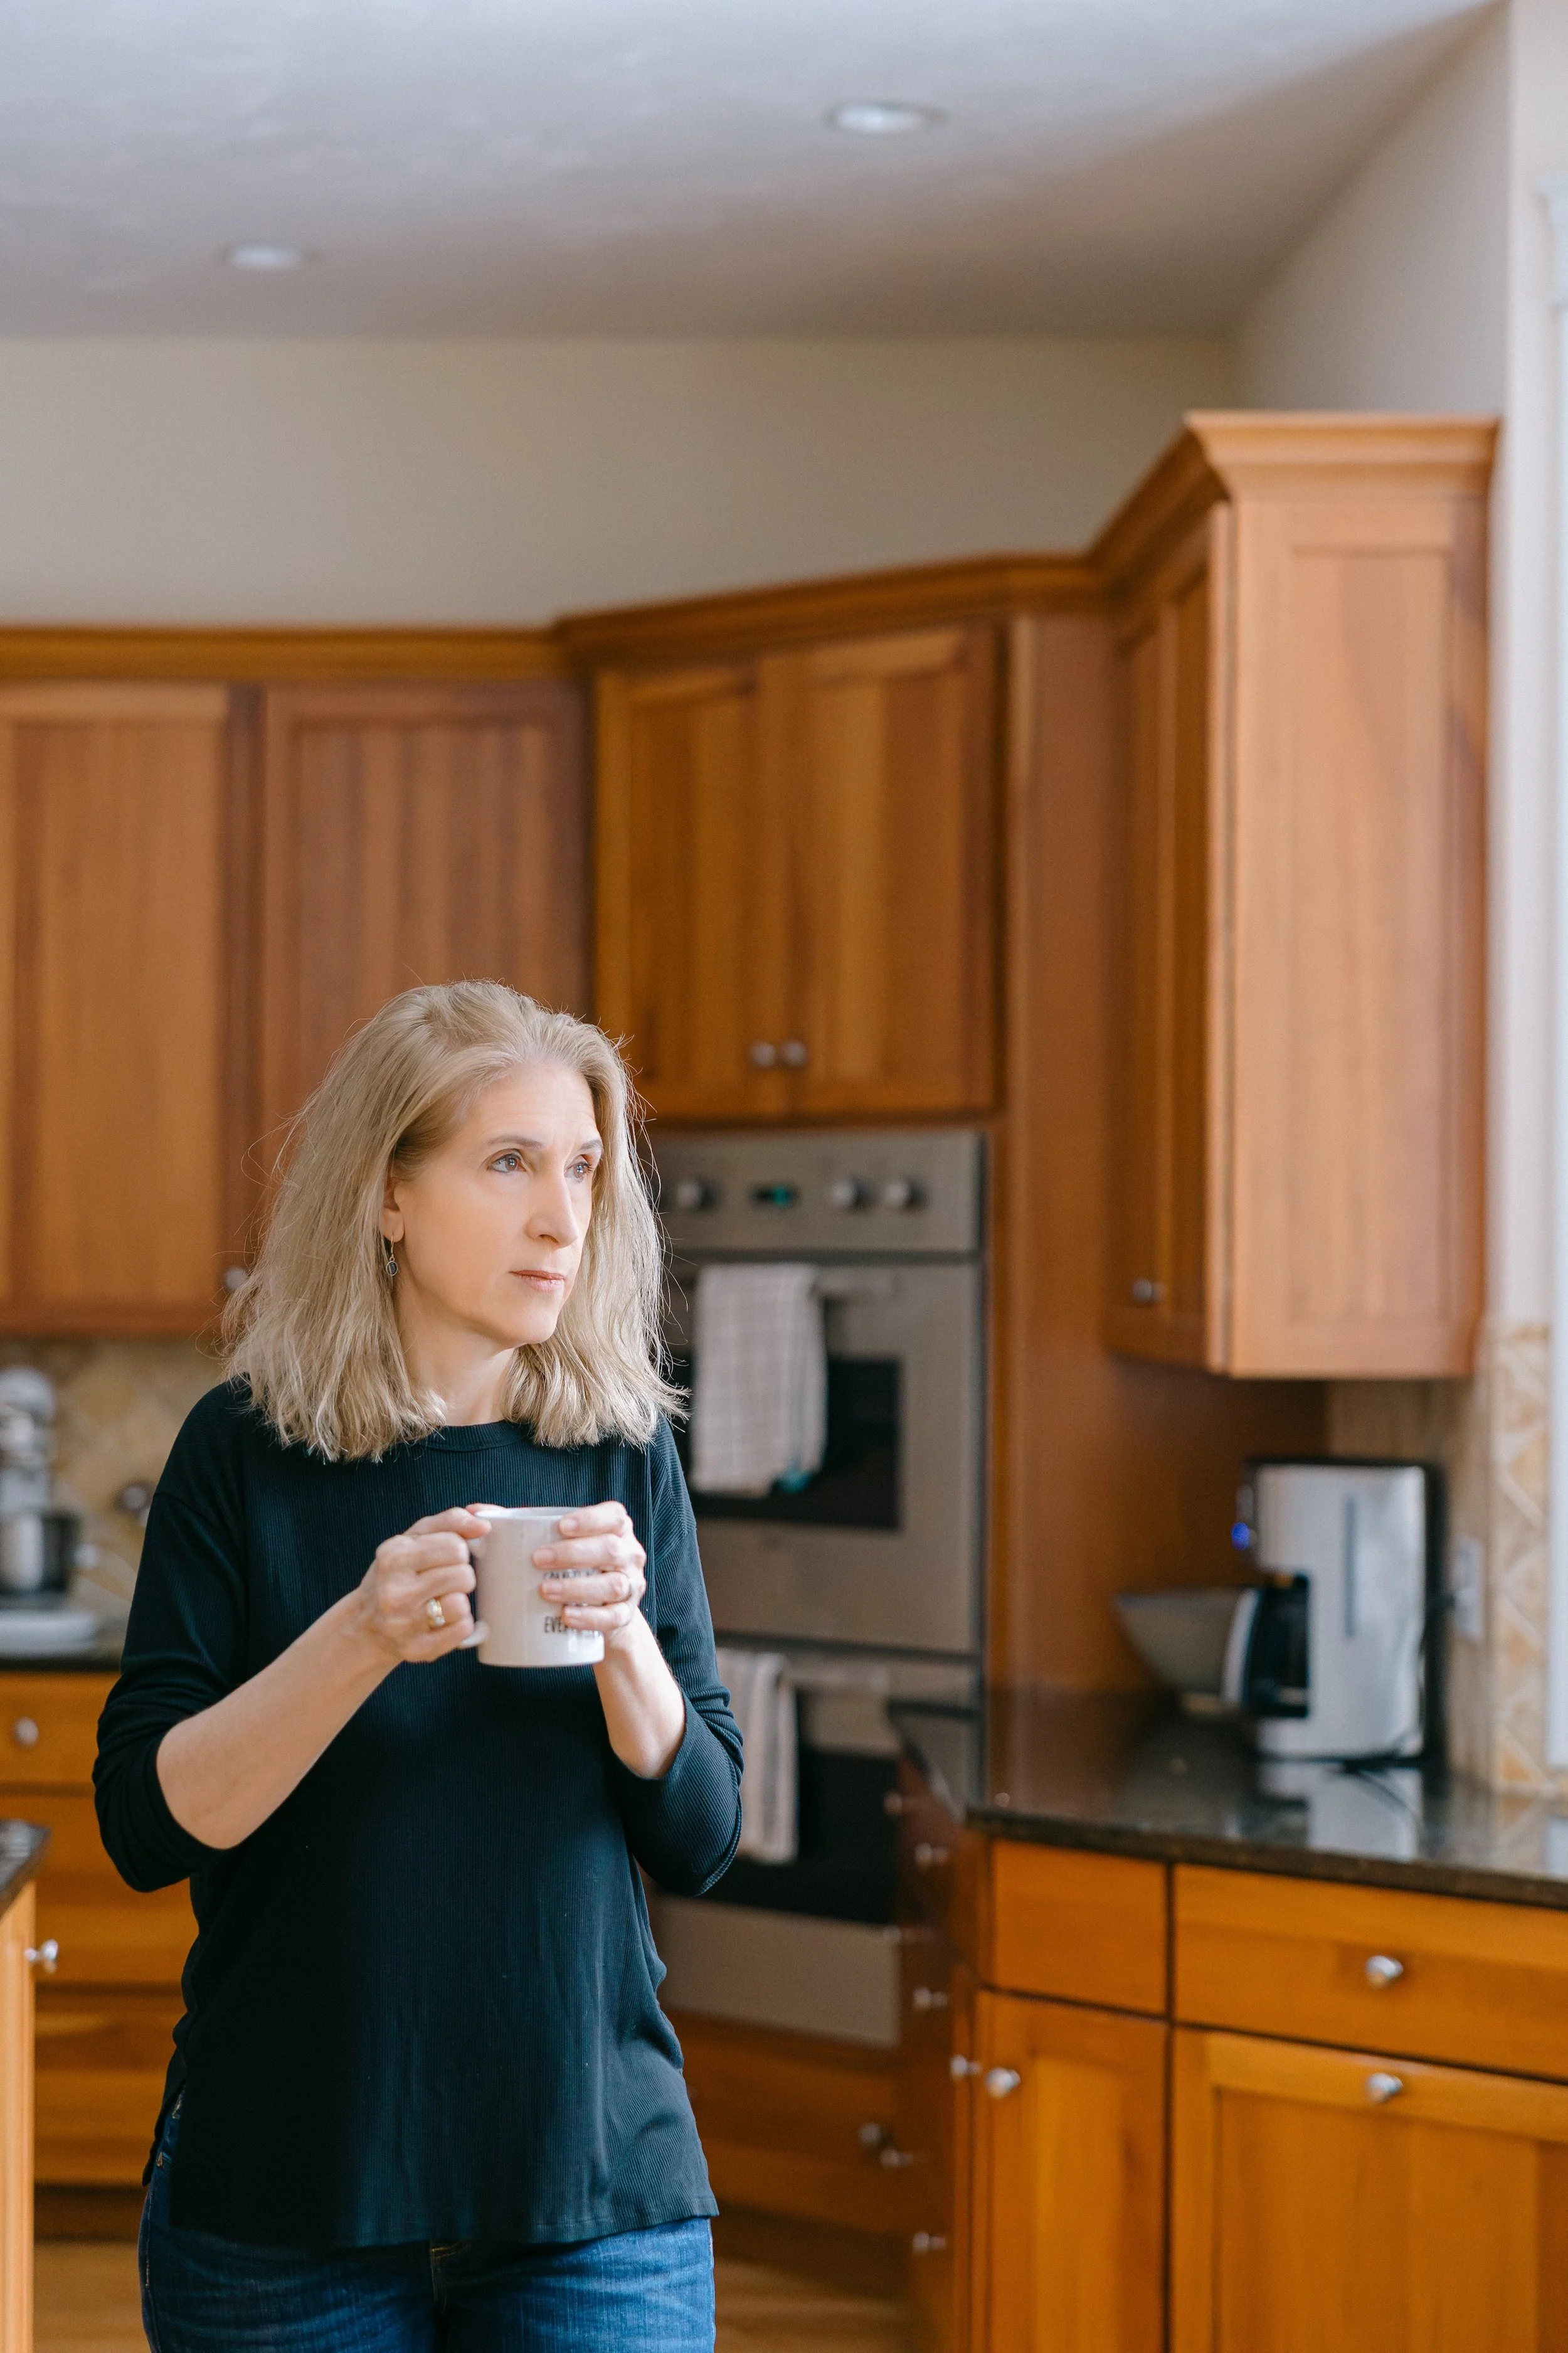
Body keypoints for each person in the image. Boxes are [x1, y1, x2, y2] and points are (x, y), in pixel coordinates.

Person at [94, 981, 742, 2353]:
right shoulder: (241, 1452)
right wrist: (362, 1634)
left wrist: (623, 1637)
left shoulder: (621, 1455)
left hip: (594, 2198)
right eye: (508, 1164)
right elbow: (147, 1827)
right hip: (285, 2195)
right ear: (386, 1194)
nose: (563, 1217)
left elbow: (701, 1835)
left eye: (580, 1168)